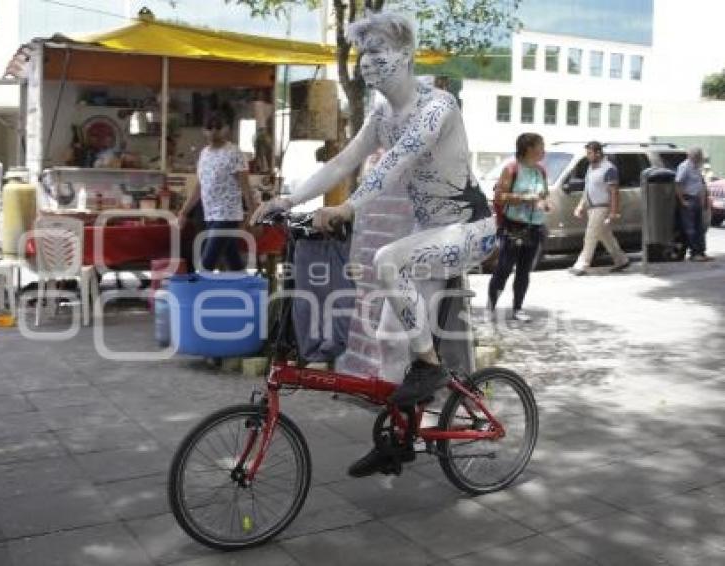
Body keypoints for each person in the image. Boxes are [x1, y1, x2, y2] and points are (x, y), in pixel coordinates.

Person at [251, 12, 495, 476]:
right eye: (363, 53)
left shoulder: (437, 105)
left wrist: (348, 209)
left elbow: (395, 164)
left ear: (405, 56)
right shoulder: (382, 115)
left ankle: (431, 367)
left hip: (469, 231)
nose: (366, 62)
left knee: (388, 260)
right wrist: (287, 197)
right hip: (429, 238)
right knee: (387, 336)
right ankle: (396, 439)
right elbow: (343, 161)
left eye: (377, 51)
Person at [178, 115, 256, 271]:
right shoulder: (204, 154)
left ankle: (197, 293)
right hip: (210, 215)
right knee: (232, 260)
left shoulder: (234, 153)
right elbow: (199, 187)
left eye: (218, 127)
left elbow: (245, 186)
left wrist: (252, 214)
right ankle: (247, 291)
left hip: (227, 215)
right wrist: (183, 212)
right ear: (204, 131)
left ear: (226, 129)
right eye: (209, 128)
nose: (214, 131)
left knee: (206, 263)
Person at [488, 133, 551, 322]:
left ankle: (517, 309)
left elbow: (544, 194)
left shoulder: (541, 170)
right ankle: (490, 307)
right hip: (514, 226)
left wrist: (544, 203)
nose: (544, 150)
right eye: (541, 146)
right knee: (504, 268)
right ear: (529, 148)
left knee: (524, 270)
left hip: (535, 226)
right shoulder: (511, 169)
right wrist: (524, 198)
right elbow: (499, 197)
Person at [569, 141, 630, 275]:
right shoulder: (591, 168)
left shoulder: (609, 169)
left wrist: (613, 212)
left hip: (602, 207)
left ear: (598, 153)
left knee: (590, 236)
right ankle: (621, 259)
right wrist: (580, 206)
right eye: (587, 153)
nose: (588, 156)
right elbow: (587, 189)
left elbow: (614, 191)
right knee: (605, 235)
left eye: (590, 153)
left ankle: (582, 264)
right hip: (591, 207)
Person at [676, 147, 712, 262]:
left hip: (697, 200)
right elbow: (678, 184)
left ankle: (701, 251)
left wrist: (703, 199)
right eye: (698, 157)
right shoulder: (684, 167)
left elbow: (700, 184)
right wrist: (682, 201)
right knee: (690, 228)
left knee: (699, 228)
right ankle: (694, 253)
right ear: (692, 156)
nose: (699, 159)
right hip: (689, 199)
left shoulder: (696, 168)